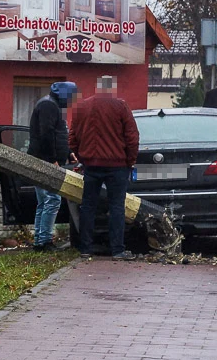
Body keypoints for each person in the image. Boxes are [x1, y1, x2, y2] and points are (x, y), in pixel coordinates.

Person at [69, 75, 139, 260]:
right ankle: (117, 249)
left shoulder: (82, 107)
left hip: (91, 165)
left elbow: (73, 136)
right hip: (117, 165)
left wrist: (82, 156)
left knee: (88, 206)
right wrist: (130, 161)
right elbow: (132, 136)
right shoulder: (121, 106)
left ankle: (85, 248)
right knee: (116, 206)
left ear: (97, 87)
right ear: (112, 88)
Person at [28, 81, 78, 252]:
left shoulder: (51, 104)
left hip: (45, 159)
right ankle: (45, 241)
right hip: (45, 160)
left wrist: (68, 152)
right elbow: (46, 133)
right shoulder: (49, 106)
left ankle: (40, 240)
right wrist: (52, 159)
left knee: (44, 201)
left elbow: (58, 133)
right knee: (52, 199)